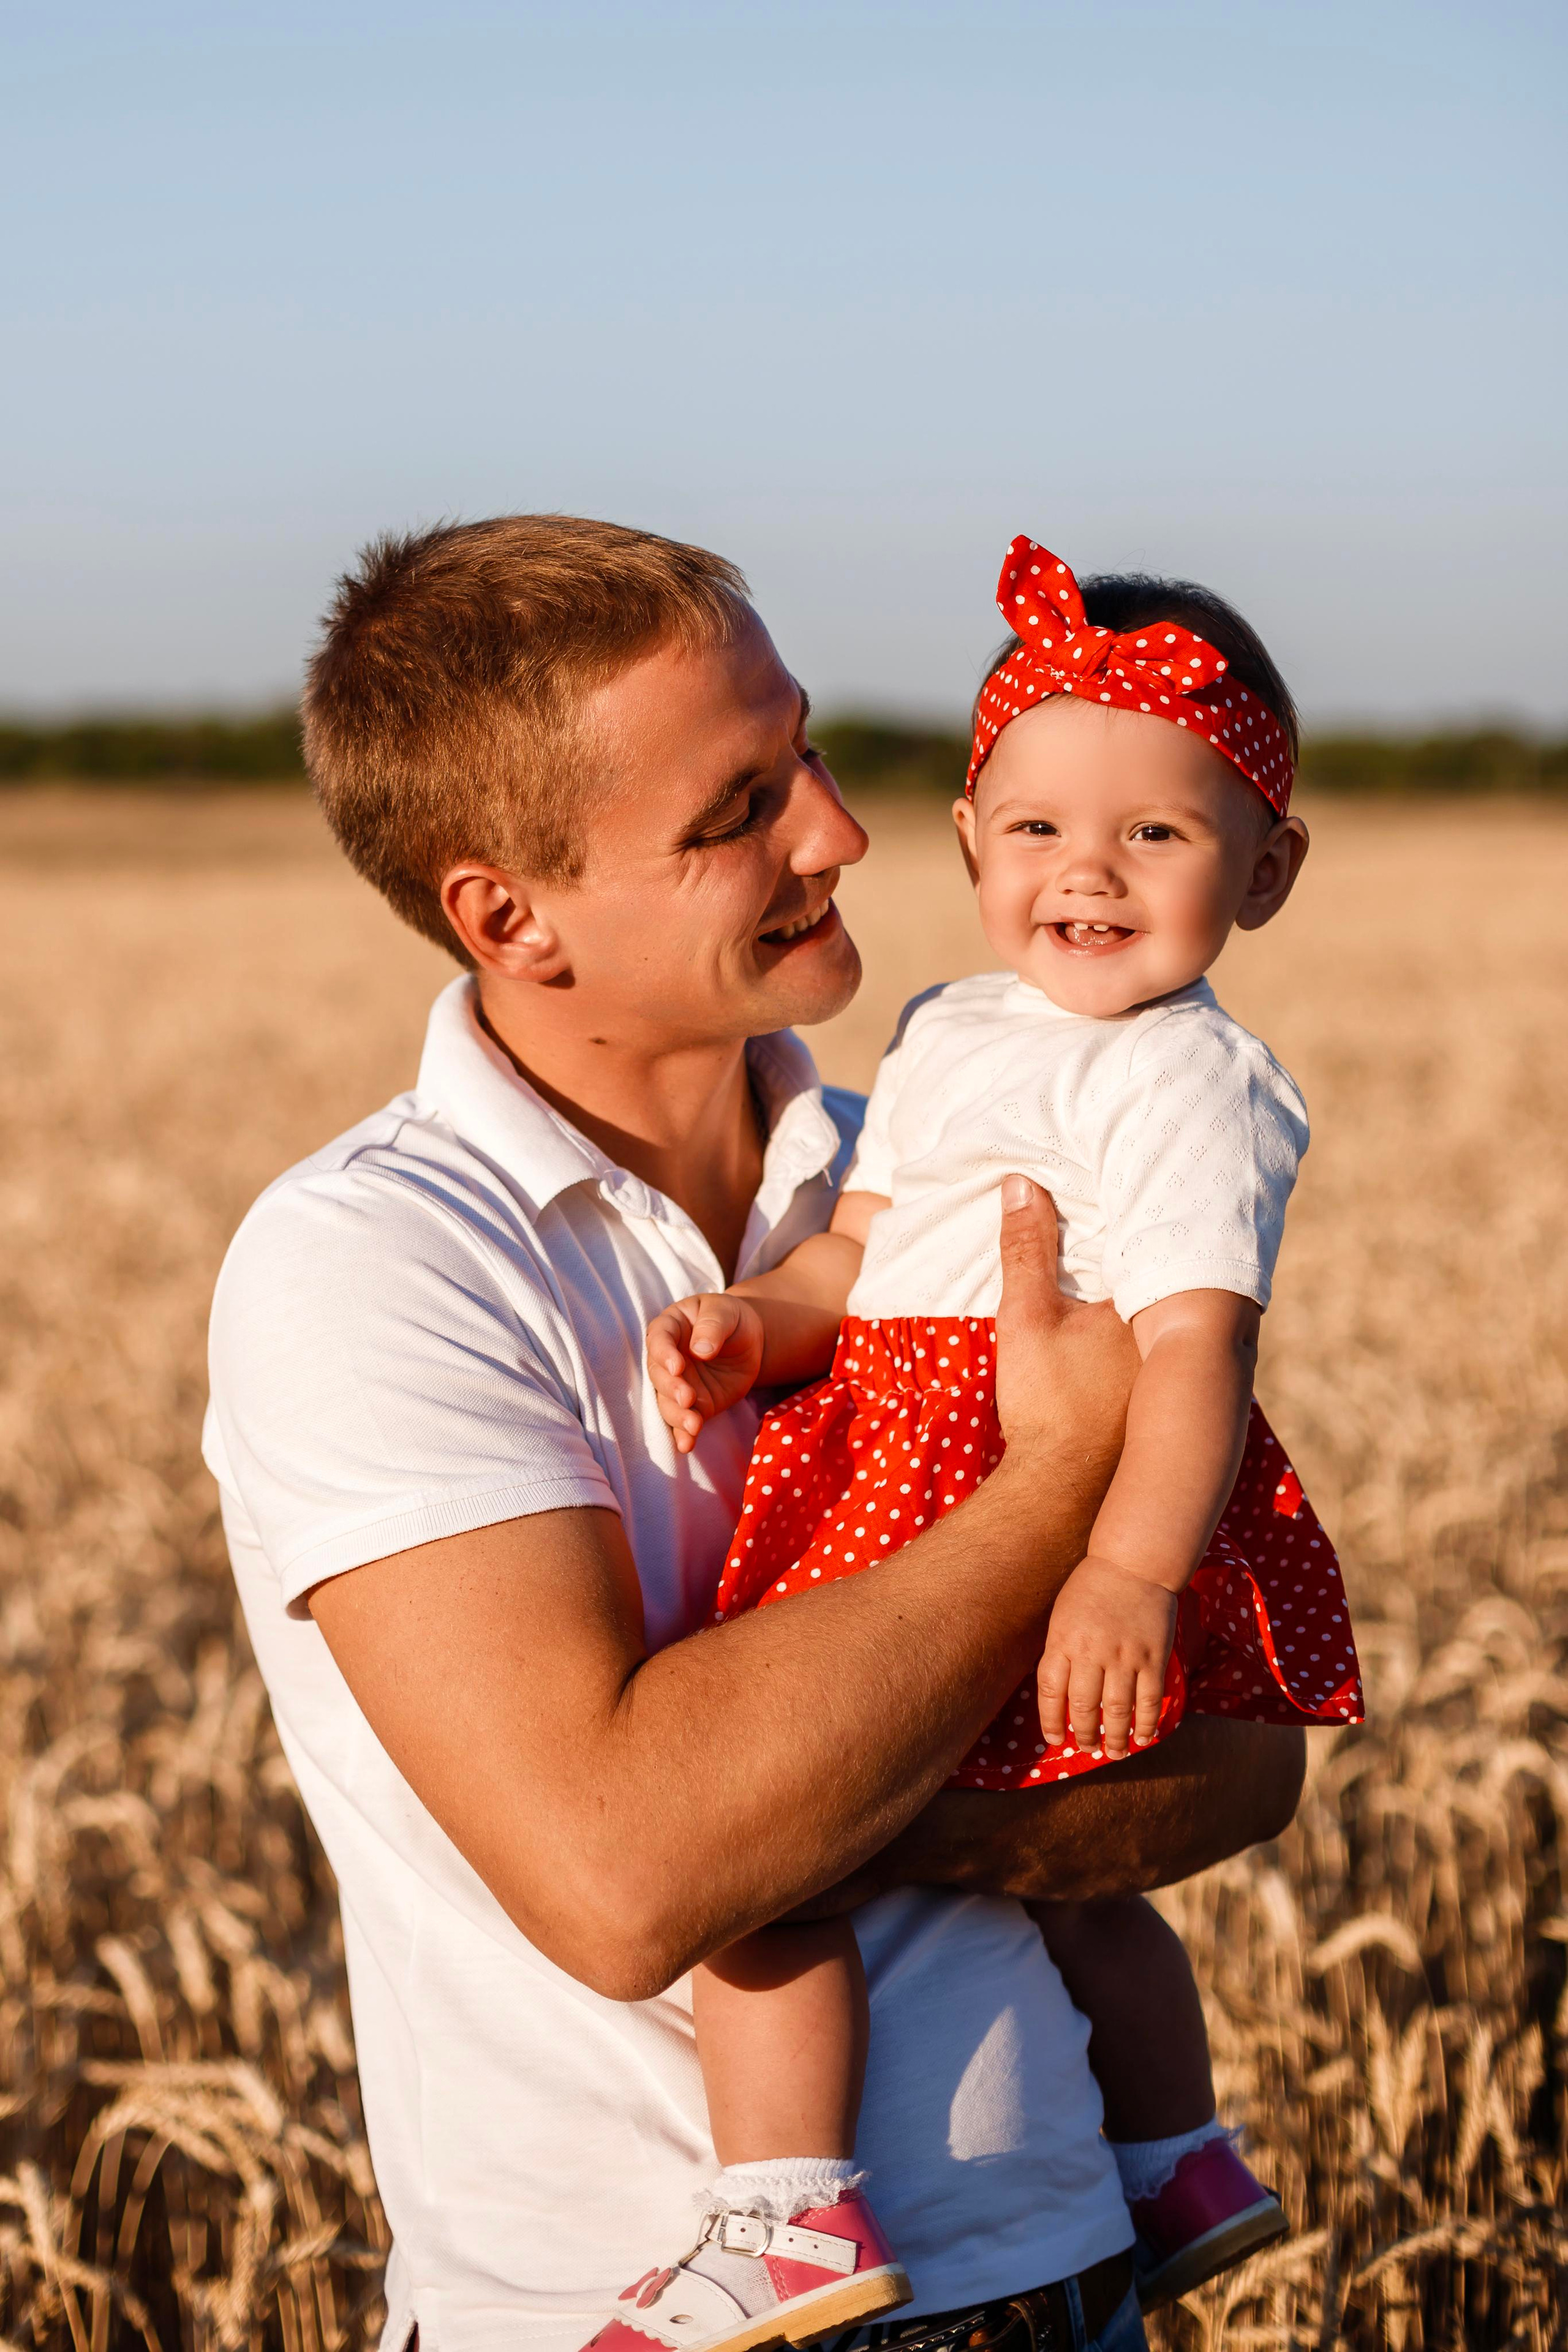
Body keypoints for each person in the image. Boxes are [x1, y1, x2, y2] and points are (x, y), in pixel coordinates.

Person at [204, 516, 1309, 2352]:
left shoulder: (953, 1151)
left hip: (1059, 2277)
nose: (841, 830)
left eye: (803, 748)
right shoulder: (377, 1263)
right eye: (737, 811)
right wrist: (1050, 1481)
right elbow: (634, 1876)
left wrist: (804, 1791)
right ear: (508, 914)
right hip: (601, 2318)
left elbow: (1242, 1762)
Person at [642, 535, 1366, 2332]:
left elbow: (1197, 1350)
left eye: (1159, 835)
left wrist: (1125, 1569)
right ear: (970, 841)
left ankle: (787, 2207)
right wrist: (767, 1327)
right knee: (1058, 1888)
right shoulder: (951, 1029)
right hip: (896, 1449)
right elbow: (867, 1246)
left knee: (775, 1852)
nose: (1089, 874)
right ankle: (1178, 2154)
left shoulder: (1192, 1078)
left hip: (1042, 1495)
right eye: (1037, 828)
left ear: (1265, 871)